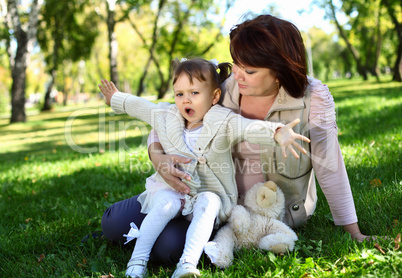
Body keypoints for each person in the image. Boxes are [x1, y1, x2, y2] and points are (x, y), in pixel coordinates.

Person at [99, 58, 309, 278]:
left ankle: (187, 264)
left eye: (194, 93)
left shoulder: (223, 121)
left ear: (214, 96)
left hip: (209, 196)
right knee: (165, 203)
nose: (185, 100)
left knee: (209, 201)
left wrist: (276, 132)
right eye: (179, 94)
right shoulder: (167, 116)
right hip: (173, 191)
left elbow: (249, 128)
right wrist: (115, 98)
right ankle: (137, 262)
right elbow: (141, 106)